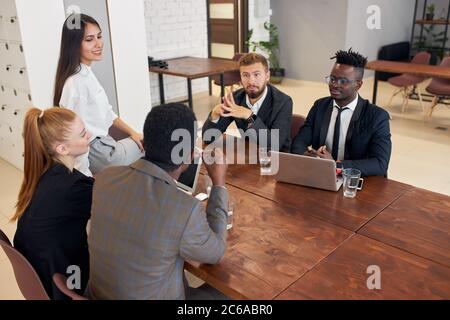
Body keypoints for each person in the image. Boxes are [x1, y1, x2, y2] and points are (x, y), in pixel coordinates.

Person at [87, 103, 229, 300]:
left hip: (99, 295)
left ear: (143, 143)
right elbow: (216, 253)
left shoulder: (104, 178)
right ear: (188, 157)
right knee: (231, 293)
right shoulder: (185, 210)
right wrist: (219, 183)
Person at [12, 107, 93, 299]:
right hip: (65, 283)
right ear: (62, 149)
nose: (89, 135)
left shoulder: (43, 173)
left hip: (42, 276)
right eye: (82, 134)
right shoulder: (74, 189)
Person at [53, 14, 144, 177]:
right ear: (74, 45)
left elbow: (107, 112)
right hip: (97, 152)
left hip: (103, 144)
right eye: (89, 39)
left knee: (141, 138)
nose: (98, 44)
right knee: (153, 144)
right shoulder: (76, 83)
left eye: (99, 36)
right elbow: (73, 136)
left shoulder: (85, 73)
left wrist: (133, 133)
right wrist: (85, 177)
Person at [291, 49, 392, 177]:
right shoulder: (320, 106)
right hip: (320, 176)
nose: (334, 85)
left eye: (343, 81)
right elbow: (299, 142)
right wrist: (307, 157)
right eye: (332, 79)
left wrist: (335, 165)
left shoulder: (377, 117)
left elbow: (380, 164)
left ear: (358, 85)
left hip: (355, 181)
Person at [202, 53, 293, 151]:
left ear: (267, 76)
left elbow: (274, 145)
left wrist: (249, 116)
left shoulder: (284, 102)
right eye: (245, 75)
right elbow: (207, 138)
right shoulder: (235, 98)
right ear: (240, 78)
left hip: (278, 159)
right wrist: (214, 115)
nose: (251, 81)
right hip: (248, 154)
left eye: (256, 74)